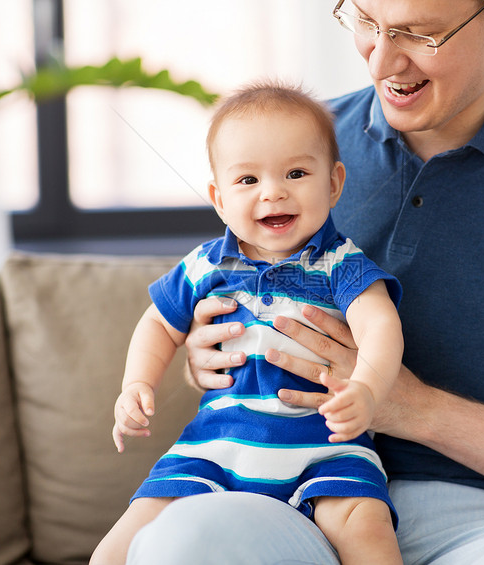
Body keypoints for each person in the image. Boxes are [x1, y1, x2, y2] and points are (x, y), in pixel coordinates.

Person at [125, 1, 484, 564]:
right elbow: (224, 293)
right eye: (366, 21)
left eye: (420, 34)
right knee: (181, 542)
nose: (382, 60)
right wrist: (213, 353)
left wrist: (412, 408)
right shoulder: (294, 148)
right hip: (289, 494)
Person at [90, 82, 404, 565]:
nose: (273, 192)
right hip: (215, 447)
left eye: (296, 173)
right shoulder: (207, 265)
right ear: (218, 198)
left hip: (324, 448)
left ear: (334, 183)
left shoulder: (340, 264)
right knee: (115, 550)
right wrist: (136, 382)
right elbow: (158, 325)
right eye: (247, 180)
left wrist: (367, 387)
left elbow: (380, 325)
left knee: (367, 529)